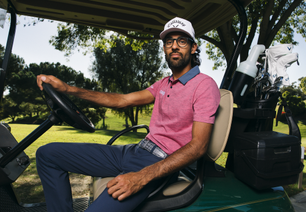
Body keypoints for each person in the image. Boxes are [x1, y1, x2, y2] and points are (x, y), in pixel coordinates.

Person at [36, 17, 220, 212]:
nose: (174, 46)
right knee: (47, 155)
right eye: (169, 42)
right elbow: (122, 100)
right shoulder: (163, 84)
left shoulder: (204, 85)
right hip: (133, 151)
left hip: (157, 162)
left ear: (193, 48)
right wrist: (67, 89)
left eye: (182, 41)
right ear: (165, 48)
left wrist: (142, 176)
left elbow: (198, 146)